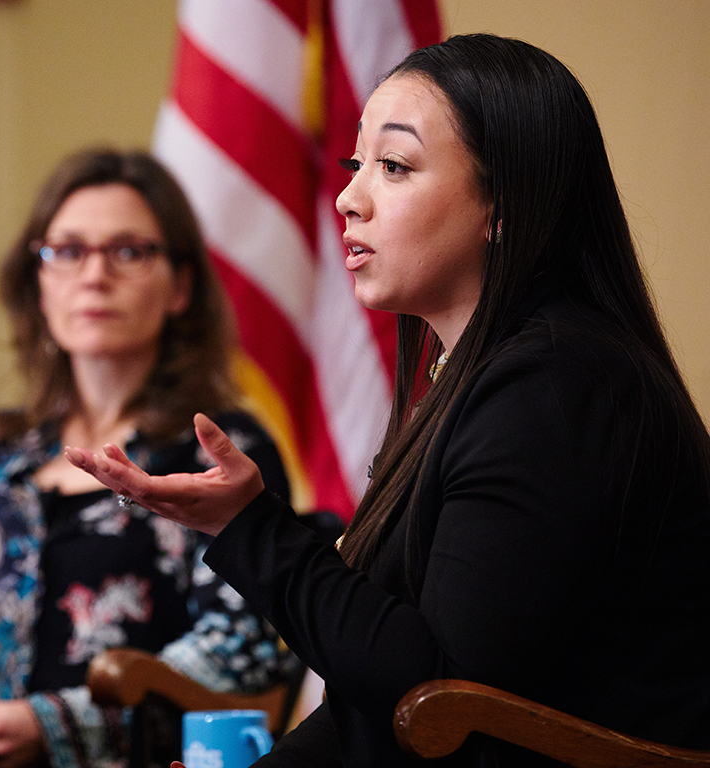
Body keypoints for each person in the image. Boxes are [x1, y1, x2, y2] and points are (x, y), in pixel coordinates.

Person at [66, 34, 710, 768]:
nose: (348, 198)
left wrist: (252, 529)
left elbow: (440, 702)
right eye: (355, 165)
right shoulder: (482, 374)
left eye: (394, 167)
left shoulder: (557, 386)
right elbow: (378, 702)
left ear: (503, 205)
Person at [0, 148, 294, 768]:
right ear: (38, 283)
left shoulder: (217, 449)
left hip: (123, 757)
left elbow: (242, 647)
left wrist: (51, 723)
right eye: (68, 251)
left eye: (128, 251)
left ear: (180, 287)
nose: (94, 275)